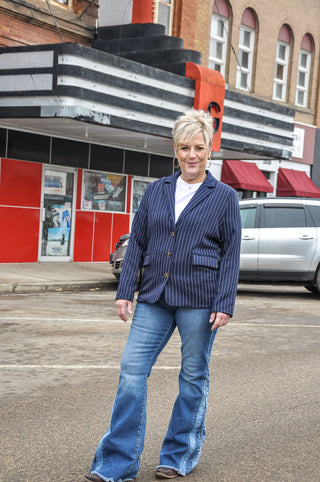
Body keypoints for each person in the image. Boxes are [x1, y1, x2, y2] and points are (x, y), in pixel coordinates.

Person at [85, 109, 242, 482]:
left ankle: (178, 454)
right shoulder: (156, 191)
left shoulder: (224, 197)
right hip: (154, 295)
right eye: (185, 147)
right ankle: (117, 463)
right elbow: (137, 243)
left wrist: (224, 303)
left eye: (199, 148)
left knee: (192, 376)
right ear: (175, 149)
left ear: (209, 150)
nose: (191, 155)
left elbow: (232, 252)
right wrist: (126, 292)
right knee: (131, 373)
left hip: (200, 299)